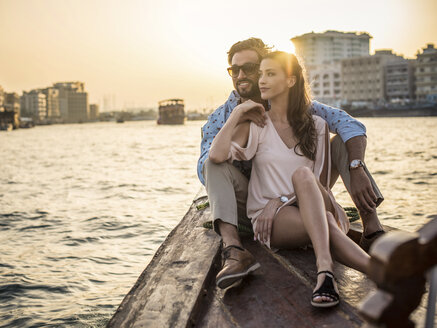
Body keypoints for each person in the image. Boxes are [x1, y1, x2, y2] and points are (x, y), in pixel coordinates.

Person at [197, 38, 384, 291]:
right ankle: (235, 251)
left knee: (338, 148)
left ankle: (371, 231)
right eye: (234, 70)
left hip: (301, 194)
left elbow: (350, 125)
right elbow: (206, 166)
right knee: (213, 165)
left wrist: (356, 165)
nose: (241, 75)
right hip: (250, 199)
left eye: (251, 69)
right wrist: (237, 118)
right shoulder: (225, 116)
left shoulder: (307, 114)